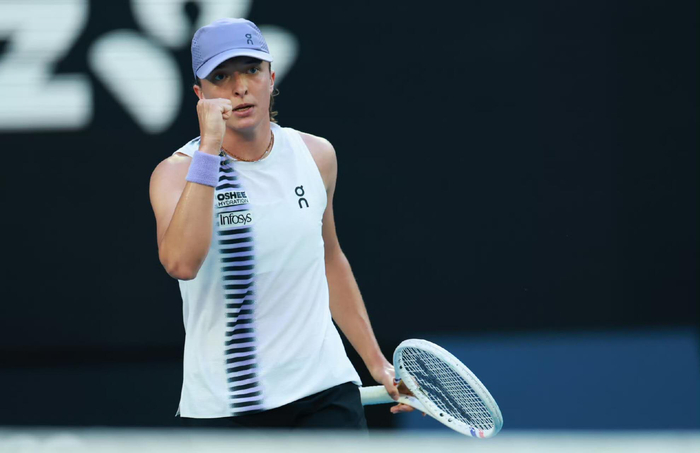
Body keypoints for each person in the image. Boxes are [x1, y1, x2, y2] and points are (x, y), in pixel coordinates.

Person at [149, 18, 412, 429]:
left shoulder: (316, 155)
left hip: (324, 389)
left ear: (271, 78)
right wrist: (209, 149)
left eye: (252, 70)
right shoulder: (176, 173)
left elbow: (329, 258)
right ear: (201, 95)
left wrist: (377, 363)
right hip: (229, 405)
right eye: (221, 77)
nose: (240, 87)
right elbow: (181, 263)